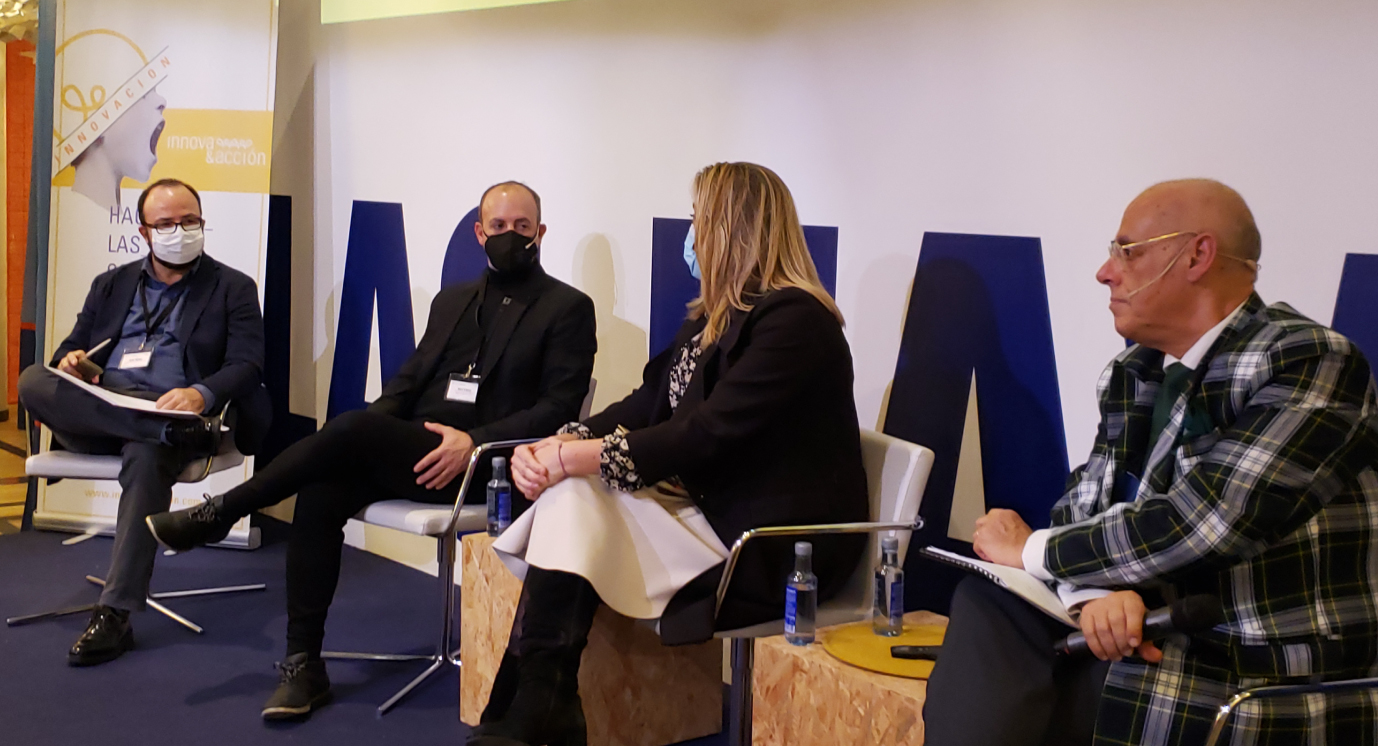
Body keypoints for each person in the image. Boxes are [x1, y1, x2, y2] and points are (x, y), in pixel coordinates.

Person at [923, 179, 1378, 746]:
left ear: (1197, 255)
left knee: (1007, 645)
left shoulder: (1309, 360)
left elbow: (1208, 520)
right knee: (988, 601)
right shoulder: (1135, 370)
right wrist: (1093, 596)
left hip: (1239, 669)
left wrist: (1034, 551)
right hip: (1142, 640)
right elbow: (1082, 505)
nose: (1105, 273)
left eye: (1127, 252)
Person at [146, 181, 597, 721]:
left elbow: (557, 410)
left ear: (540, 232)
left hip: (487, 465)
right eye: (498, 226)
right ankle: (303, 664)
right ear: (480, 233)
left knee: (354, 430)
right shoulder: (453, 300)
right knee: (322, 487)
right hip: (413, 451)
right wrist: (369, 434)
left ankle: (222, 511)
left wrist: (473, 442)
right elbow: (406, 385)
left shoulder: (568, 308)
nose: (510, 236)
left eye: (522, 227)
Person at [467, 162, 870, 746]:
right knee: (576, 493)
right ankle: (542, 698)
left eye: (697, 220)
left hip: (771, 543)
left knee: (577, 487)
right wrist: (566, 440)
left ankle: (538, 703)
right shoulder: (716, 317)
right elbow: (647, 402)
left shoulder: (796, 321)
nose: (690, 236)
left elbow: (705, 432)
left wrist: (573, 459)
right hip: (710, 510)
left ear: (731, 229)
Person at [18, 177, 270, 667]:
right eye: (166, 224)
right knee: (32, 379)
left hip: (173, 412)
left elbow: (248, 363)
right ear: (143, 232)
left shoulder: (232, 287)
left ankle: (114, 613)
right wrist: (72, 362)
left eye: (190, 221)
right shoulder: (111, 284)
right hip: (105, 413)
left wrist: (201, 393)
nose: (181, 231)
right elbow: (70, 350)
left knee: (148, 455)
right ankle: (156, 430)